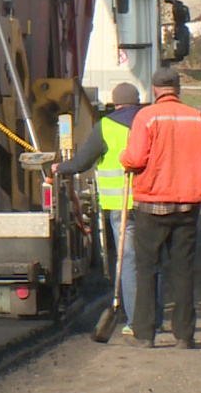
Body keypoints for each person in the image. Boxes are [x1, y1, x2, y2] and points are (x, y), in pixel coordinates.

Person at [119, 67, 201, 349]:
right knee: (183, 270)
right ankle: (185, 336)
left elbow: (135, 158)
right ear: (178, 89)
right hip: (187, 207)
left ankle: (144, 335)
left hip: (150, 206)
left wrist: (124, 159)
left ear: (154, 90)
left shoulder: (146, 117)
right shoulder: (199, 118)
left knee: (147, 269)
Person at [54, 82, 162, 337]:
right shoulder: (151, 122)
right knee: (154, 260)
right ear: (138, 101)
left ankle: (136, 322)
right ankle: (155, 318)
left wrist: (61, 168)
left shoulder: (106, 126)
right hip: (152, 202)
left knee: (128, 261)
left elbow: (82, 162)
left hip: (121, 206)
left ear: (115, 103)